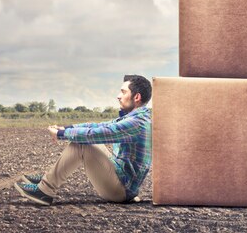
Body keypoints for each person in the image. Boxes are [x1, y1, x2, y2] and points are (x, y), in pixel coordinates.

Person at [14, 74, 152, 206]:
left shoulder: (137, 123)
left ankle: (44, 190)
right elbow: (98, 125)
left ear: (137, 97)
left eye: (123, 92)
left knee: (83, 144)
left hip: (121, 190)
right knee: (84, 140)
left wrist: (60, 134)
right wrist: (65, 128)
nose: (118, 96)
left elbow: (98, 133)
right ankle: (47, 178)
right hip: (123, 180)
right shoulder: (136, 118)